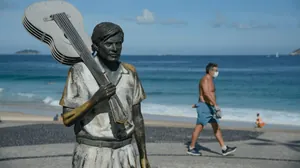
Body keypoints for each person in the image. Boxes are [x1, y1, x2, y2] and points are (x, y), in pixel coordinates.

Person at [59, 22, 151, 168]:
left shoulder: (130, 72)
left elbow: (137, 117)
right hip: (92, 152)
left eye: (118, 43)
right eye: (109, 44)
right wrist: (95, 99)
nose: (115, 49)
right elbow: (67, 119)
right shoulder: (79, 72)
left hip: (125, 152)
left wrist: (143, 156)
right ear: (96, 46)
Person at [187, 63, 237, 156]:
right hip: (204, 107)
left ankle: (224, 148)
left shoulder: (210, 79)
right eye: (216, 70)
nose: (217, 72)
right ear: (210, 71)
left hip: (210, 107)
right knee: (199, 127)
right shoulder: (205, 79)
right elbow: (206, 93)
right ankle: (191, 148)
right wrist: (215, 105)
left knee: (216, 127)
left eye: (217, 70)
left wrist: (214, 106)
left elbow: (210, 93)